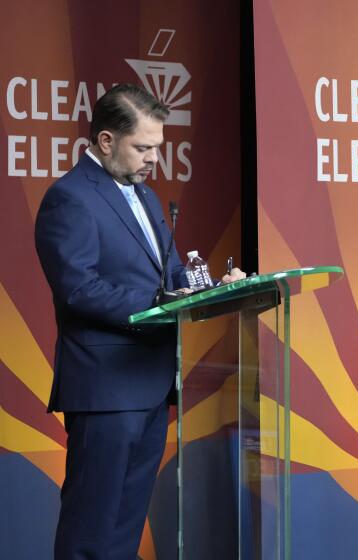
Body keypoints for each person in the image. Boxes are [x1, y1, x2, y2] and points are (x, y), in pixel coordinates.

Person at [34, 83, 245, 559]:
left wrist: (217, 287)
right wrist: (157, 300)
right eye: (143, 147)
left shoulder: (146, 196)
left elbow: (170, 276)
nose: (154, 158)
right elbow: (78, 288)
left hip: (151, 385)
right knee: (90, 530)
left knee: (125, 529)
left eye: (158, 148)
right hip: (106, 388)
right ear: (106, 141)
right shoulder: (68, 198)